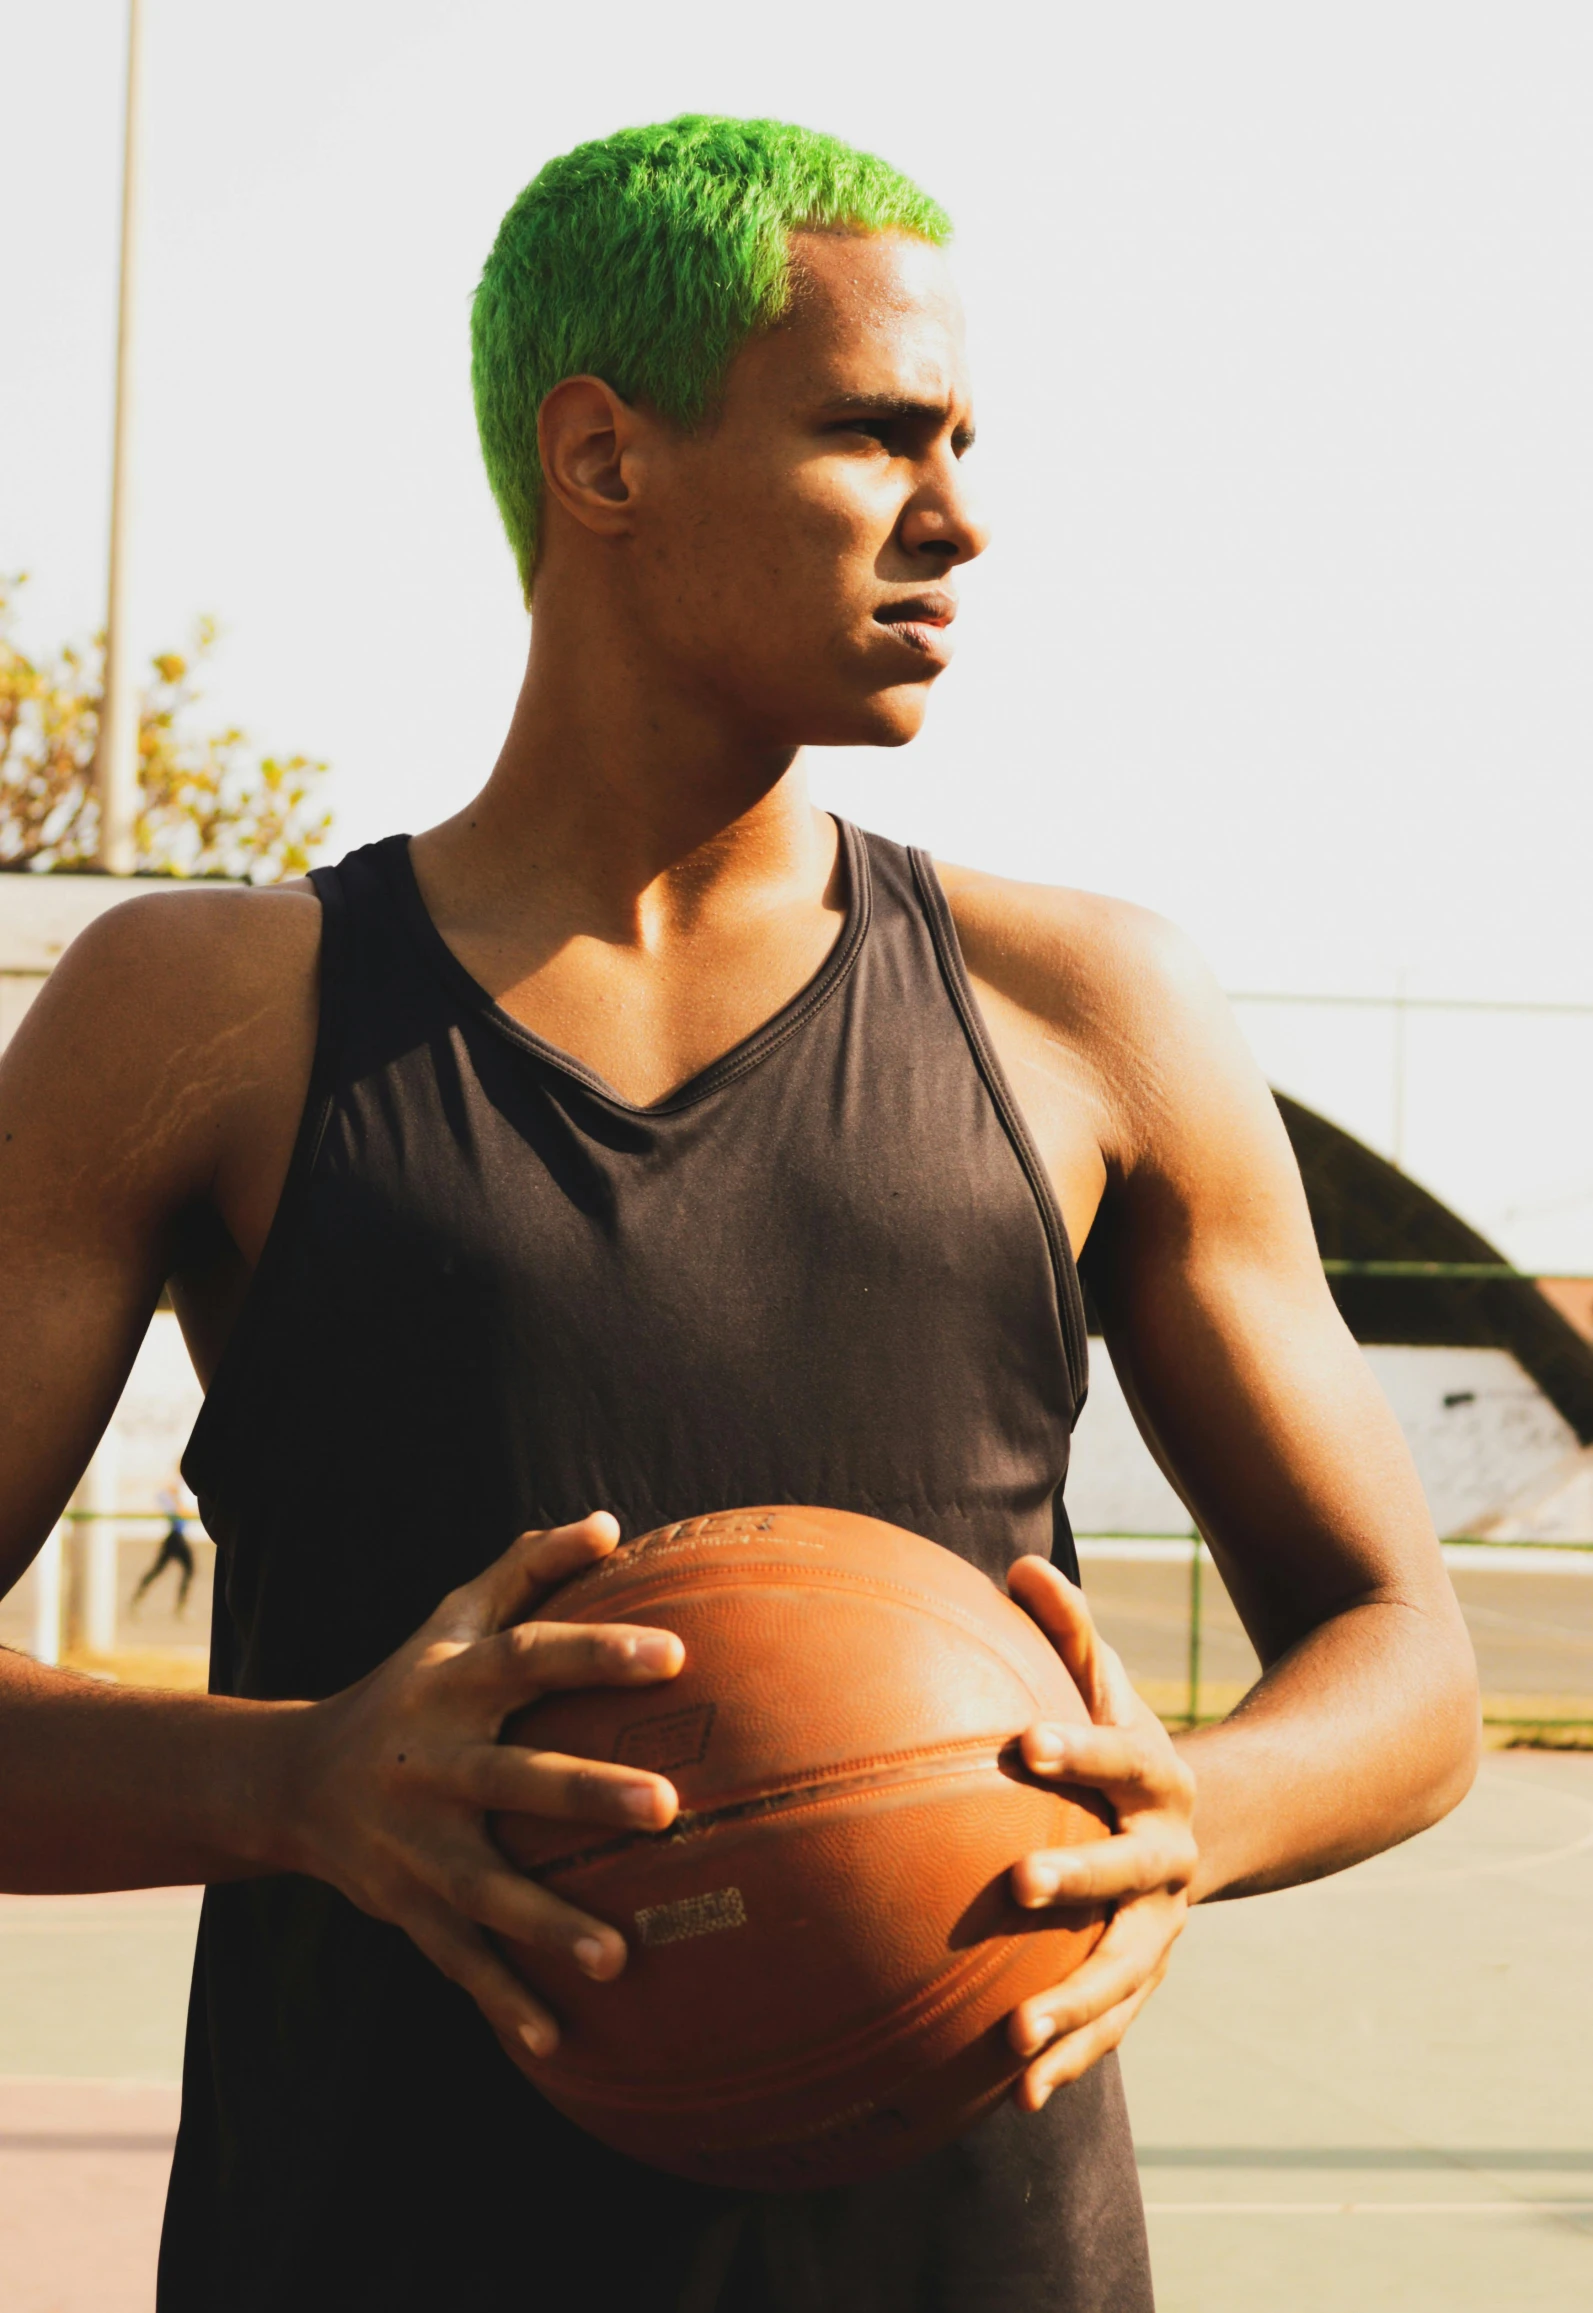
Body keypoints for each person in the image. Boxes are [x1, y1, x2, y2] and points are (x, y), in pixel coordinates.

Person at [0, 116, 1477, 2312]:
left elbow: (1410, 1661)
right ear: (601, 456)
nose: (960, 515)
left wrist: (1192, 1810)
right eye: (877, 434)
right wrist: (301, 1782)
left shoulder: (1086, 1008)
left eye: (965, 438)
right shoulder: (212, 1016)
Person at [132, 1485, 197, 1615]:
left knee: (186, 1570)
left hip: (177, 1538)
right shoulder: (172, 1495)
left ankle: (180, 1606)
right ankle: (137, 1600)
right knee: (160, 1570)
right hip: (174, 1538)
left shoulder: (182, 1492)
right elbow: (166, 1501)